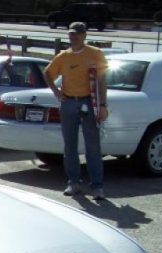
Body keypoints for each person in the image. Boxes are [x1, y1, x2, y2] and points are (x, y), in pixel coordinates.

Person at [43, 22, 109, 201]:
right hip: (69, 103)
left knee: (92, 146)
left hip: (89, 102)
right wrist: (56, 92)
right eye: (71, 34)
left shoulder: (95, 53)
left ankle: (97, 186)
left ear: (85, 35)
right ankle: (74, 182)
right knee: (69, 145)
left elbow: (102, 80)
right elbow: (48, 73)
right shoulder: (63, 56)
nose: (74, 37)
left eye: (77, 34)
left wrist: (103, 105)